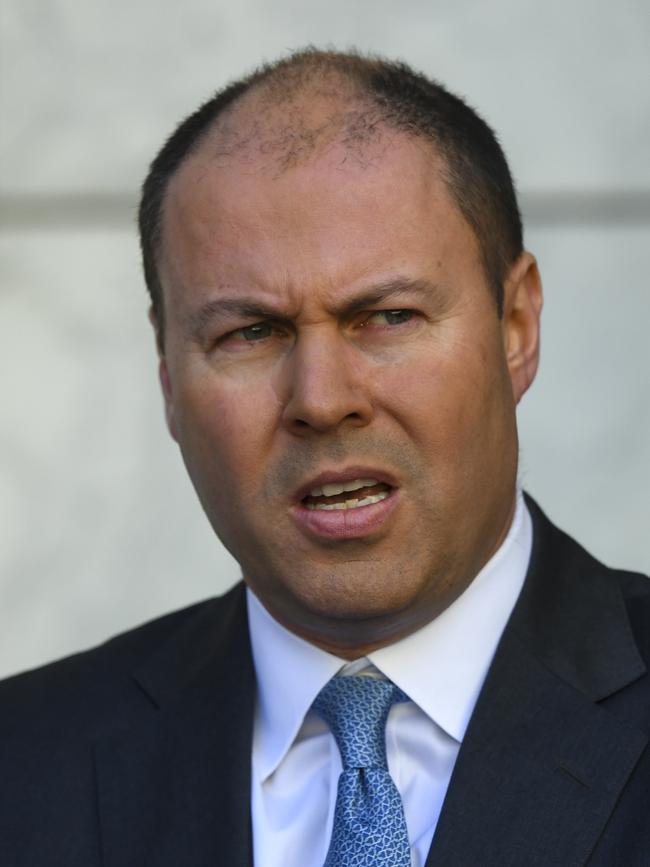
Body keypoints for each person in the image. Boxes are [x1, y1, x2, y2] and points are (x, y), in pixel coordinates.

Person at [1, 48, 648, 867]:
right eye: (251, 332)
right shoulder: (21, 771)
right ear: (167, 379)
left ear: (515, 327)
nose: (321, 396)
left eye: (386, 316)